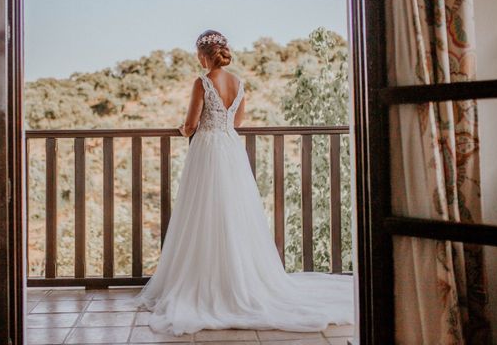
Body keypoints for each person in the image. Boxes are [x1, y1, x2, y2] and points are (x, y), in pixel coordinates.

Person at [127, 30, 354, 336]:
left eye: (198, 53)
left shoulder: (203, 81)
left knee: (203, 212)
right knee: (233, 212)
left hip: (207, 150)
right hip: (231, 149)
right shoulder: (239, 83)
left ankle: (207, 280)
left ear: (204, 55)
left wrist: (183, 130)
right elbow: (237, 123)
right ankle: (237, 279)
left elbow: (192, 123)